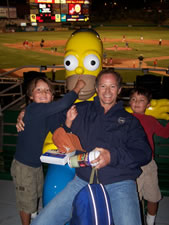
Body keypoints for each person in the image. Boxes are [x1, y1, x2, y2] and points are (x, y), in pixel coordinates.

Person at [30, 69, 152, 225]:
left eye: (112, 87)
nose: (107, 91)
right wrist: (27, 112)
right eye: (103, 86)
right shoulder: (81, 110)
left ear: (119, 90)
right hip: (82, 179)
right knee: (41, 222)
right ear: (96, 88)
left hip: (120, 183)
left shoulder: (130, 121)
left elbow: (144, 153)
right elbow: (50, 115)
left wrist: (112, 156)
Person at [11, 76, 85, 225]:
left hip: (35, 165)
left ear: (52, 96)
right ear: (31, 96)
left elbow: (59, 130)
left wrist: (68, 122)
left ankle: (34, 216)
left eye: (47, 91)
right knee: (26, 202)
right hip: (23, 166)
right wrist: (77, 88)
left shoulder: (47, 114)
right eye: (39, 90)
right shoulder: (33, 109)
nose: (44, 93)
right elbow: (64, 103)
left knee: (35, 194)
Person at [129, 87, 169, 225]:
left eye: (141, 100)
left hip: (149, 164)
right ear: (129, 103)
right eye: (133, 99)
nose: (136, 102)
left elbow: (165, 133)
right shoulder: (125, 119)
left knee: (153, 197)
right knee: (134, 198)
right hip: (132, 165)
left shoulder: (151, 120)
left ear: (148, 104)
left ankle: (150, 222)